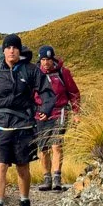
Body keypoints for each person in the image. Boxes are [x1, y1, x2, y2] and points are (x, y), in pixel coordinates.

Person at [0, 34, 51, 206]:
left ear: (20, 51)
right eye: (8, 48)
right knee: (0, 165)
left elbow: (47, 92)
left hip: (24, 124)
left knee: (22, 166)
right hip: (1, 125)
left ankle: (24, 202)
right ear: (3, 51)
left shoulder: (31, 70)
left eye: (14, 48)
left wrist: (45, 110)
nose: (11, 51)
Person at [33, 43, 80, 191]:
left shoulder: (62, 73)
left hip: (59, 112)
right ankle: (47, 179)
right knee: (43, 148)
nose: (46, 63)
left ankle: (57, 178)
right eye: (43, 60)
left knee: (56, 145)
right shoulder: (35, 74)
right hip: (40, 114)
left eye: (48, 59)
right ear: (39, 60)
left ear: (53, 59)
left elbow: (73, 93)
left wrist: (76, 112)